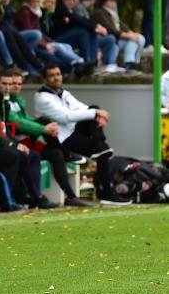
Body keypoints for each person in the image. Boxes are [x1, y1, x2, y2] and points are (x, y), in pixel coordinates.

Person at [33, 64, 133, 206]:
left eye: (58, 74)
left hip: (74, 133)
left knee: (94, 109)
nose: (56, 78)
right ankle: (107, 193)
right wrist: (96, 114)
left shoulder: (64, 93)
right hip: (61, 139)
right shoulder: (42, 97)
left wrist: (97, 114)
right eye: (52, 75)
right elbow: (65, 117)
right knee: (102, 146)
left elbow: (83, 109)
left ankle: (100, 147)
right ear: (44, 79)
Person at [7, 70, 93, 207]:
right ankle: (34, 196)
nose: (16, 86)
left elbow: (26, 120)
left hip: (26, 140)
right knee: (44, 122)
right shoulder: (4, 101)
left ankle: (70, 196)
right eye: (12, 83)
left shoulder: (18, 101)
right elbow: (17, 122)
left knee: (55, 153)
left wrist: (44, 127)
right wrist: (43, 128)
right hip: (14, 142)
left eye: (19, 83)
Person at [15, 0, 94, 78]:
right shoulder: (27, 13)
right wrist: (46, 45)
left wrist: (48, 43)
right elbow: (33, 34)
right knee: (58, 48)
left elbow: (43, 33)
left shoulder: (37, 13)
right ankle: (80, 63)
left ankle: (79, 65)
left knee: (65, 46)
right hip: (33, 45)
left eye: (52, 2)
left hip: (43, 42)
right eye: (47, 1)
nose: (50, 4)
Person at [52, 0, 122, 74]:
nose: (72, 2)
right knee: (83, 32)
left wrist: (95, 27)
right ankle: (86, 62)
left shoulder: (72, 9)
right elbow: (76, 19)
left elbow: (82, 19)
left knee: (108, 38)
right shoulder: (60, 7)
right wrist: (95, 26)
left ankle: (95, 63)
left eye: (74, 0)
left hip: (73, 38)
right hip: (58, 38)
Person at [92, 0, 146, 74]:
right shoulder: (99, 13)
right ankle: (129, 63)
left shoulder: (113, 14)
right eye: (111, 0)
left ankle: (132, 62)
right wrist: (130, 36)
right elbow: (111, 30)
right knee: (132, 40)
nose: (113, 3)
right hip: (110, 40)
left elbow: (123, 27)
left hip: (118, 39)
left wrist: (132, 34)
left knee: (140, 38)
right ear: (105, 1)